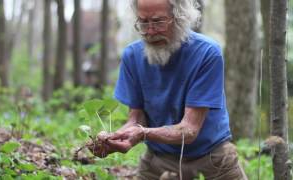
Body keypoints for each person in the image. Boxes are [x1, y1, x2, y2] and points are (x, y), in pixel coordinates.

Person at [88, 0, 248, 179]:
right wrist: (116, 137)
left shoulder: (207, 53)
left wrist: (142, 134)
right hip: (159, 159)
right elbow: (136, 118)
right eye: (143, 22)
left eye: (158, 22)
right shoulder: (132, 56)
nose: (150, 31)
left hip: (212, 158)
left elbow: (189, 131)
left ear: (179, 18)